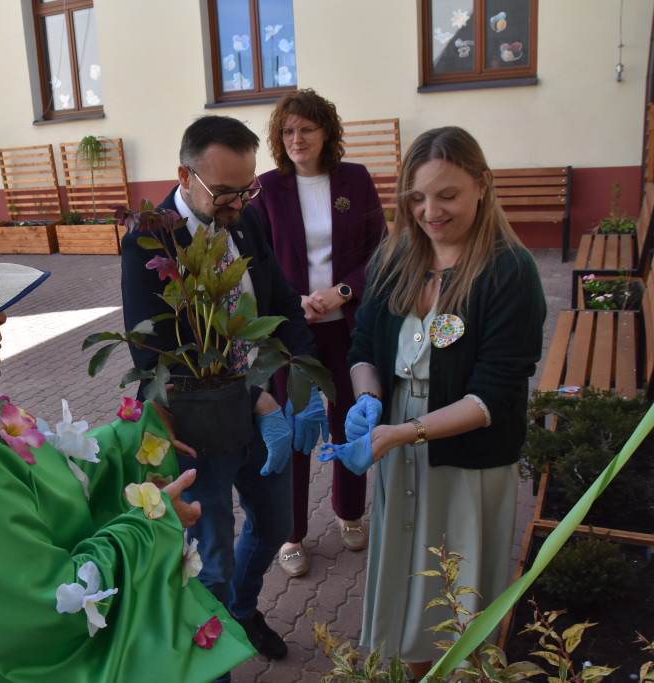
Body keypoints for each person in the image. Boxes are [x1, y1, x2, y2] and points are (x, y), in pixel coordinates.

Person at [0, 229, 255, 682]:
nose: (4, 317)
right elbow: (45, 602)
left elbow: (46, 472)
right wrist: (152, 524)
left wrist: (132, 437)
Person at [318, 126, 546, 676]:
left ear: (483, 185)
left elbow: (494, 394)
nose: (430, 211)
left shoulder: (509, 272)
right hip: (397, 439)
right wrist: (369, 400)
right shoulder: (395, 259)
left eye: (447, 194)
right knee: (406, 577)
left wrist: (404, 433)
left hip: (465, 458)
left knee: (454, 592)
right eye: (416, 198)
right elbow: (364, 345)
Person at [120, 114, 328, 669]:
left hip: (263, 414)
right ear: (184, 177)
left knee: (277, 527)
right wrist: (258, 399)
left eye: (248, 188)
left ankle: (241, 610)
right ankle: (210, 659)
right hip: (199, 430)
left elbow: (281, 302)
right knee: (211, 560)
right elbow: (155, 357)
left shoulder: (244, 220)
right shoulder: (148, 241)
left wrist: (304, 381)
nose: (239, 203)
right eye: (225, 192)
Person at [249, 89, 387, 577]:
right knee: (294, 427)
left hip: (346, 329)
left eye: (306, 128)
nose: (296, 138)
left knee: (349, 422)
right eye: (287, 131)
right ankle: (291, 532)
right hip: (292, 337)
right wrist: (295, 300)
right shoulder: (265, 188)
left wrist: (343, 291)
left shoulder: (355, 179)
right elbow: (258, 263)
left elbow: (379, 251)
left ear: (326, 132)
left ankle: (349, 512)